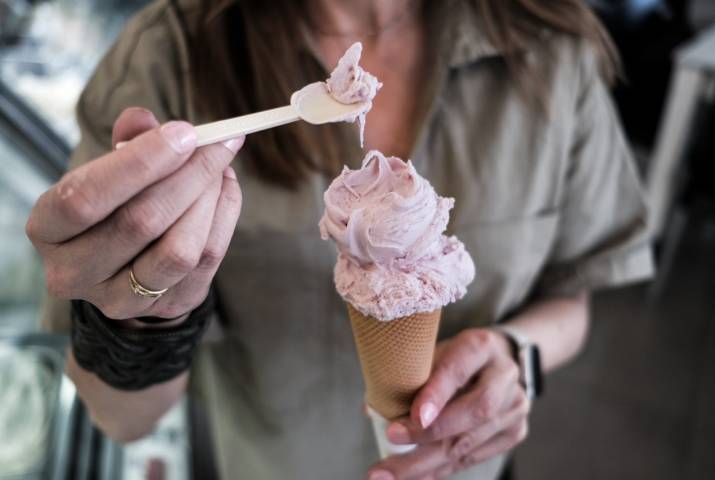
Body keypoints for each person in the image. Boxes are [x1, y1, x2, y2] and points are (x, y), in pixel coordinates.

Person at [26, 0, 654, 478]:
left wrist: (519, 354)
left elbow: (574, 295)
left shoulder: (550, 43)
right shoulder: (169, 60)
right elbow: (122, 419)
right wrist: (140, 314)